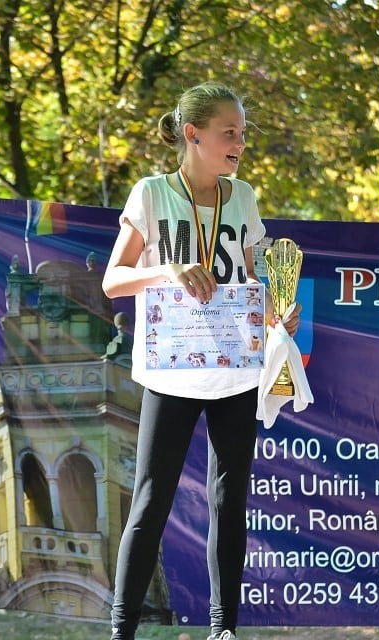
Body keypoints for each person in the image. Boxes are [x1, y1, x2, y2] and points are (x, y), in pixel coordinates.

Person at [102, 82, 300, 640]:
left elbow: (261, 280)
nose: (240, 142)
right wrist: (168, 271)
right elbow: (113, 281)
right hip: (171, 368)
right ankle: (121, 631)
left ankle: (223, 629)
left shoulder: (245, 197)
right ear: (193, 135)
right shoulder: (151, 193)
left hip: (236, 368)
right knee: (151, 500)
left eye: (242, 133)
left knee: (228, 500)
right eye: (229, 133)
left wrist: (279, 313)